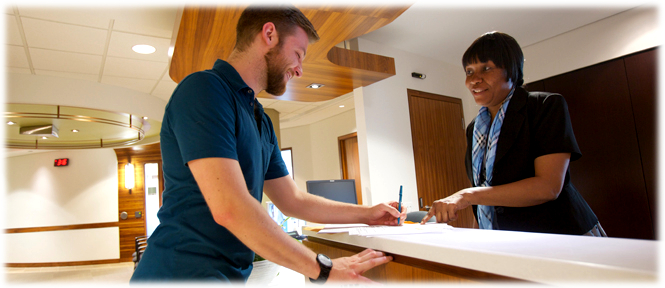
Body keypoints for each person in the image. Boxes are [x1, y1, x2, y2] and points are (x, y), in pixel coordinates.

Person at [130, 5, 405, 283]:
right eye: (298, 54)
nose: (299, 70)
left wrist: (368, 214)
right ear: (269, 34)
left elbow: (293, 200)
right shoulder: (204, 89)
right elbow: (230, 207)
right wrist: (324, 269)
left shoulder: (260, 118)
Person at [421, 31, 605, 237]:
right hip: (507, 239)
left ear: (511, 70)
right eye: (469, 71)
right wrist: (480, 239)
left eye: (486, 68)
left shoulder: (544, 106)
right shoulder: (474, 128)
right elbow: (485, 193)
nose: (474, 80)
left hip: (563, 235)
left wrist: (467, 195)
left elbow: (547, 187)